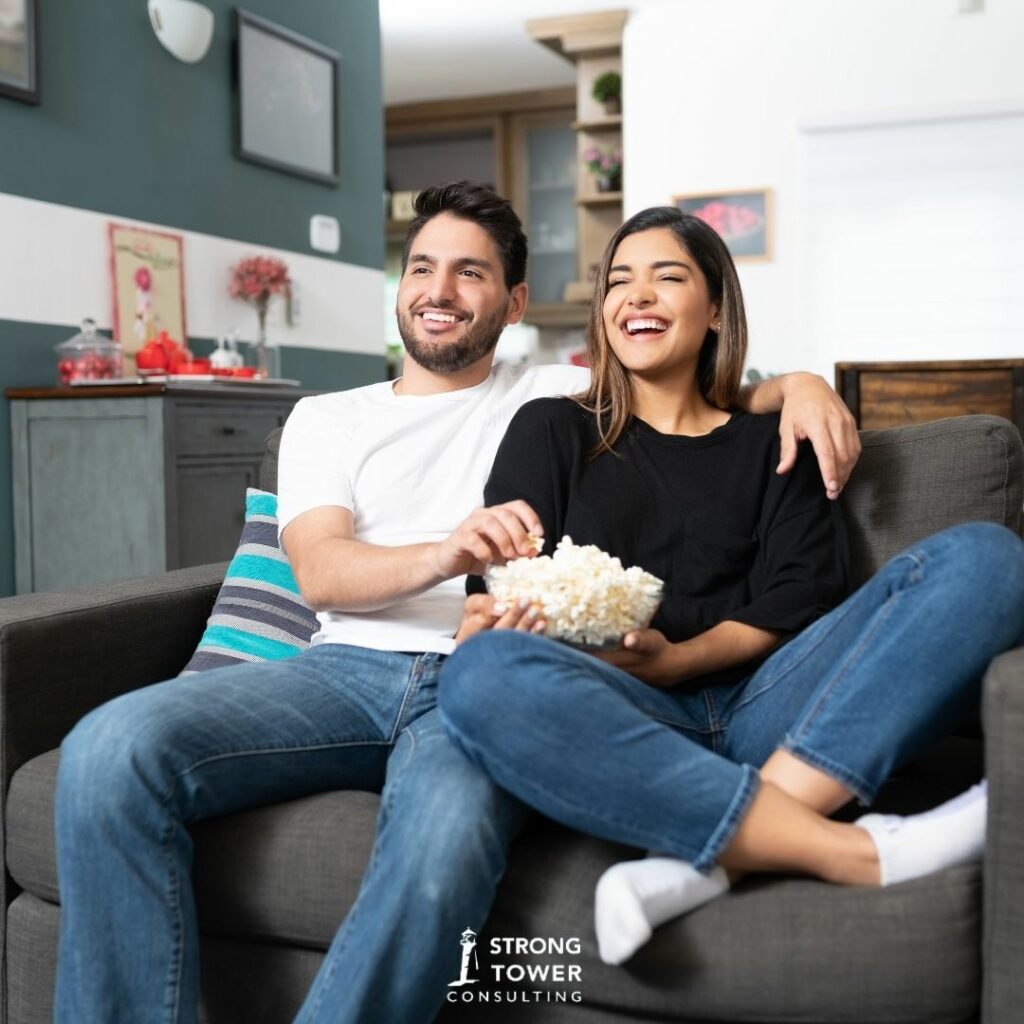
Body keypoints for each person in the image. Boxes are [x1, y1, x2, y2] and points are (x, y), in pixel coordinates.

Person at [54, 183, 862, 1024]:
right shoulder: (325, 419)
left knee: (440, 853)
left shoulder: (553, 392)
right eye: (421, 268)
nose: (439, 292)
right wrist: (447, 552)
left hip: (495, 682)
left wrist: (798, 386)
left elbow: (693, 390)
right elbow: (323, 573)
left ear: (513, 302)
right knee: (109, 751)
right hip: (339, 674)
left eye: (469, 273)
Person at [437, 204, 1024, 969]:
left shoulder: (772, 439)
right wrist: (506, 623)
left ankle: (705, 862)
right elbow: (509, 579)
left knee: (990, 558)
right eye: (619, 281)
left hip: (768, 700)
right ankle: (846, 850)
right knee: (477, 675)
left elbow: (804, 593)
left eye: (667, 277)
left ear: (714, 308)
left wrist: (680, 658)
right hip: (616, 705)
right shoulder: (550, 428)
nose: (636, 296)